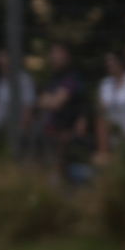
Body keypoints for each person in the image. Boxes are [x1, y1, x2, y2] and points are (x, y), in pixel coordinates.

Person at [37, 42, 89, 177]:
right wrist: (50, 100)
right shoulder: (54, 79)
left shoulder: (71, 78)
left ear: (67, 57)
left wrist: (49, 100)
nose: (54, 57)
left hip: (67, 134)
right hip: (52, 133)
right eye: (53, 53)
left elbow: (56, 103)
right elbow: (40, 101)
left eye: (58, 54)